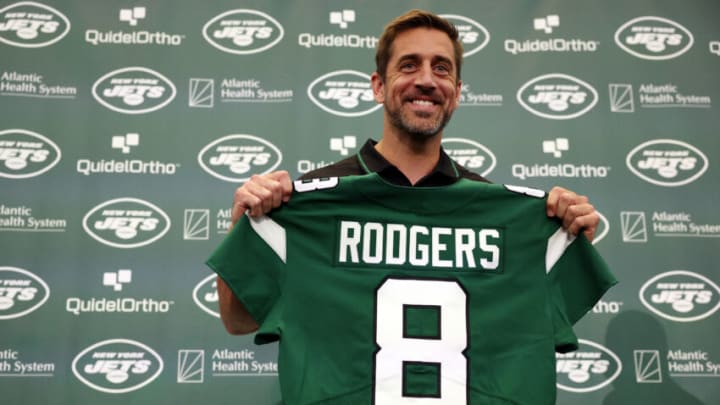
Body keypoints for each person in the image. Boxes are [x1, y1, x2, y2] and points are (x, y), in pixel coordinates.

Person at [208, 9, 615, 404]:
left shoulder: (514, 221)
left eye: (442, 69)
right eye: (408, 66)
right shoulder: (309, 203)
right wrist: (246, 221)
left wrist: (566, 236)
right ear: (378, 86)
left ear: (456, 93)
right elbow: (237, 320)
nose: (426, 80)